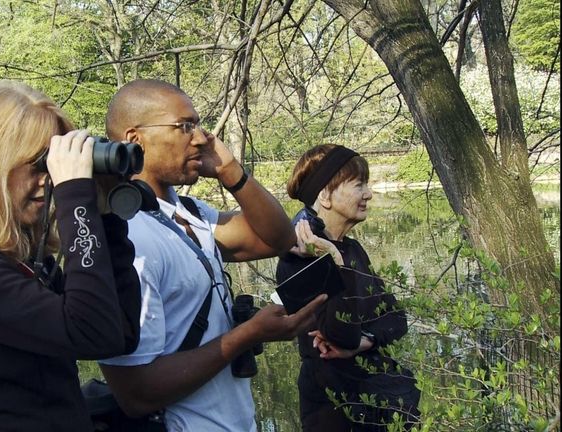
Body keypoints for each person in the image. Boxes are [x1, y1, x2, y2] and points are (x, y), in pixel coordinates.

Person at [0, 81, 142, 431]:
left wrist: (105, 213)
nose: (49, 180)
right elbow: (90, 332)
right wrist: (75, 198)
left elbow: (118, 335)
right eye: (39, 163)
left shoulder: (23, 262)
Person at [98, 79, 326, 431]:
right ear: (134, 140)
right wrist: (248, 334)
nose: (202, 137)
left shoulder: (190, 212)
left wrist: (229, 171)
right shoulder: (126, 237)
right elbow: (135, 392)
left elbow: (278, 238)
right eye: (184, 126)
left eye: (199, 124)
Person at [277, 144, 420, 431]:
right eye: (358, 185)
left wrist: (363, 342)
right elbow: (338, 334)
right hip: (335, 409)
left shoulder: (352, 249)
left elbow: (396, 320)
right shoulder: (299, 258)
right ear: (325, 196)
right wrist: (335, 261)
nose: (368, 193)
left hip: (376, 397)